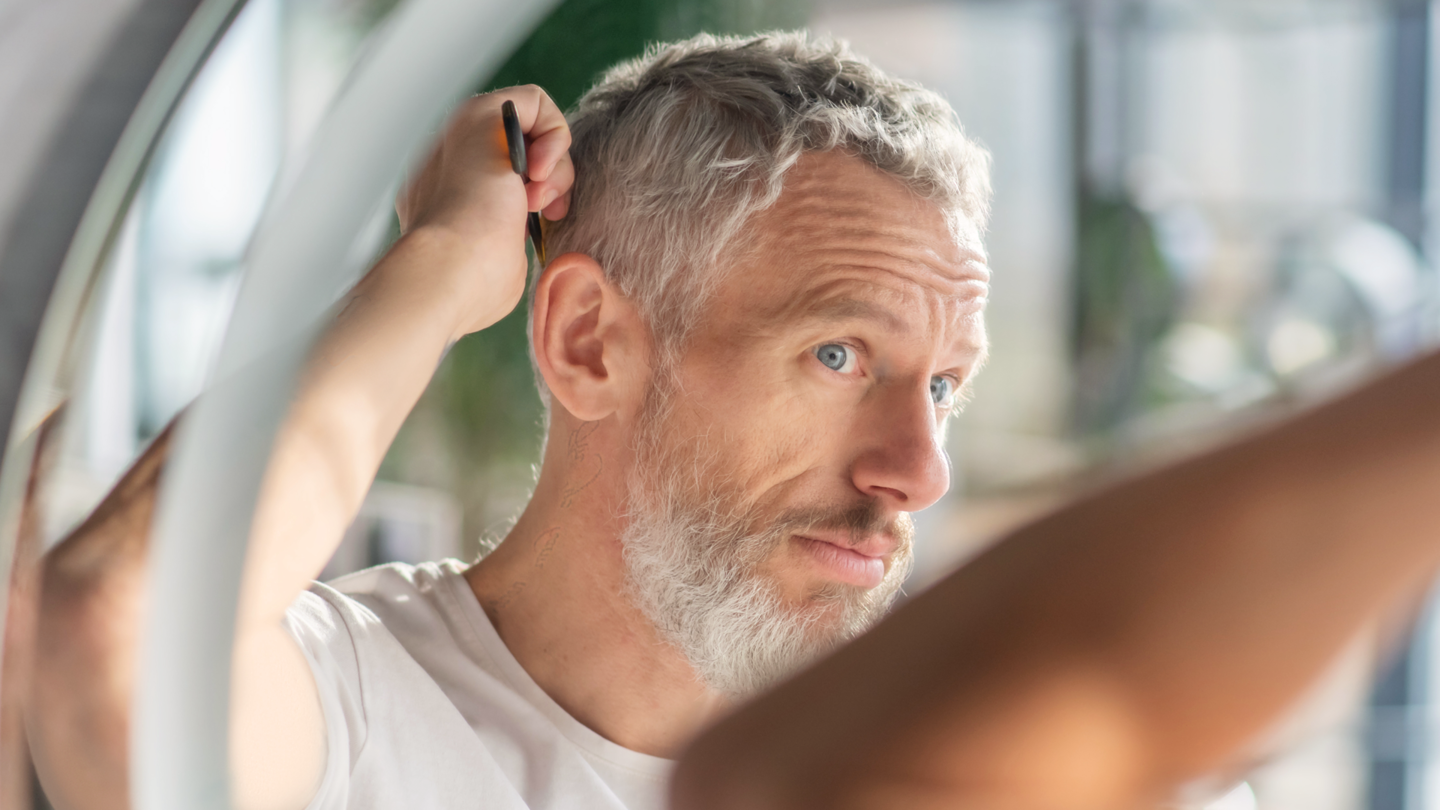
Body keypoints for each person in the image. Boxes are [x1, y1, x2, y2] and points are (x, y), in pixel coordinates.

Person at [26, 29, 1440, 810]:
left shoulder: (978, 761)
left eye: (943, 384)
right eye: (840, 353)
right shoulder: (355, 708)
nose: (917, 470)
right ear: (587, 341)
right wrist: (446, 267)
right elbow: (112, 623)